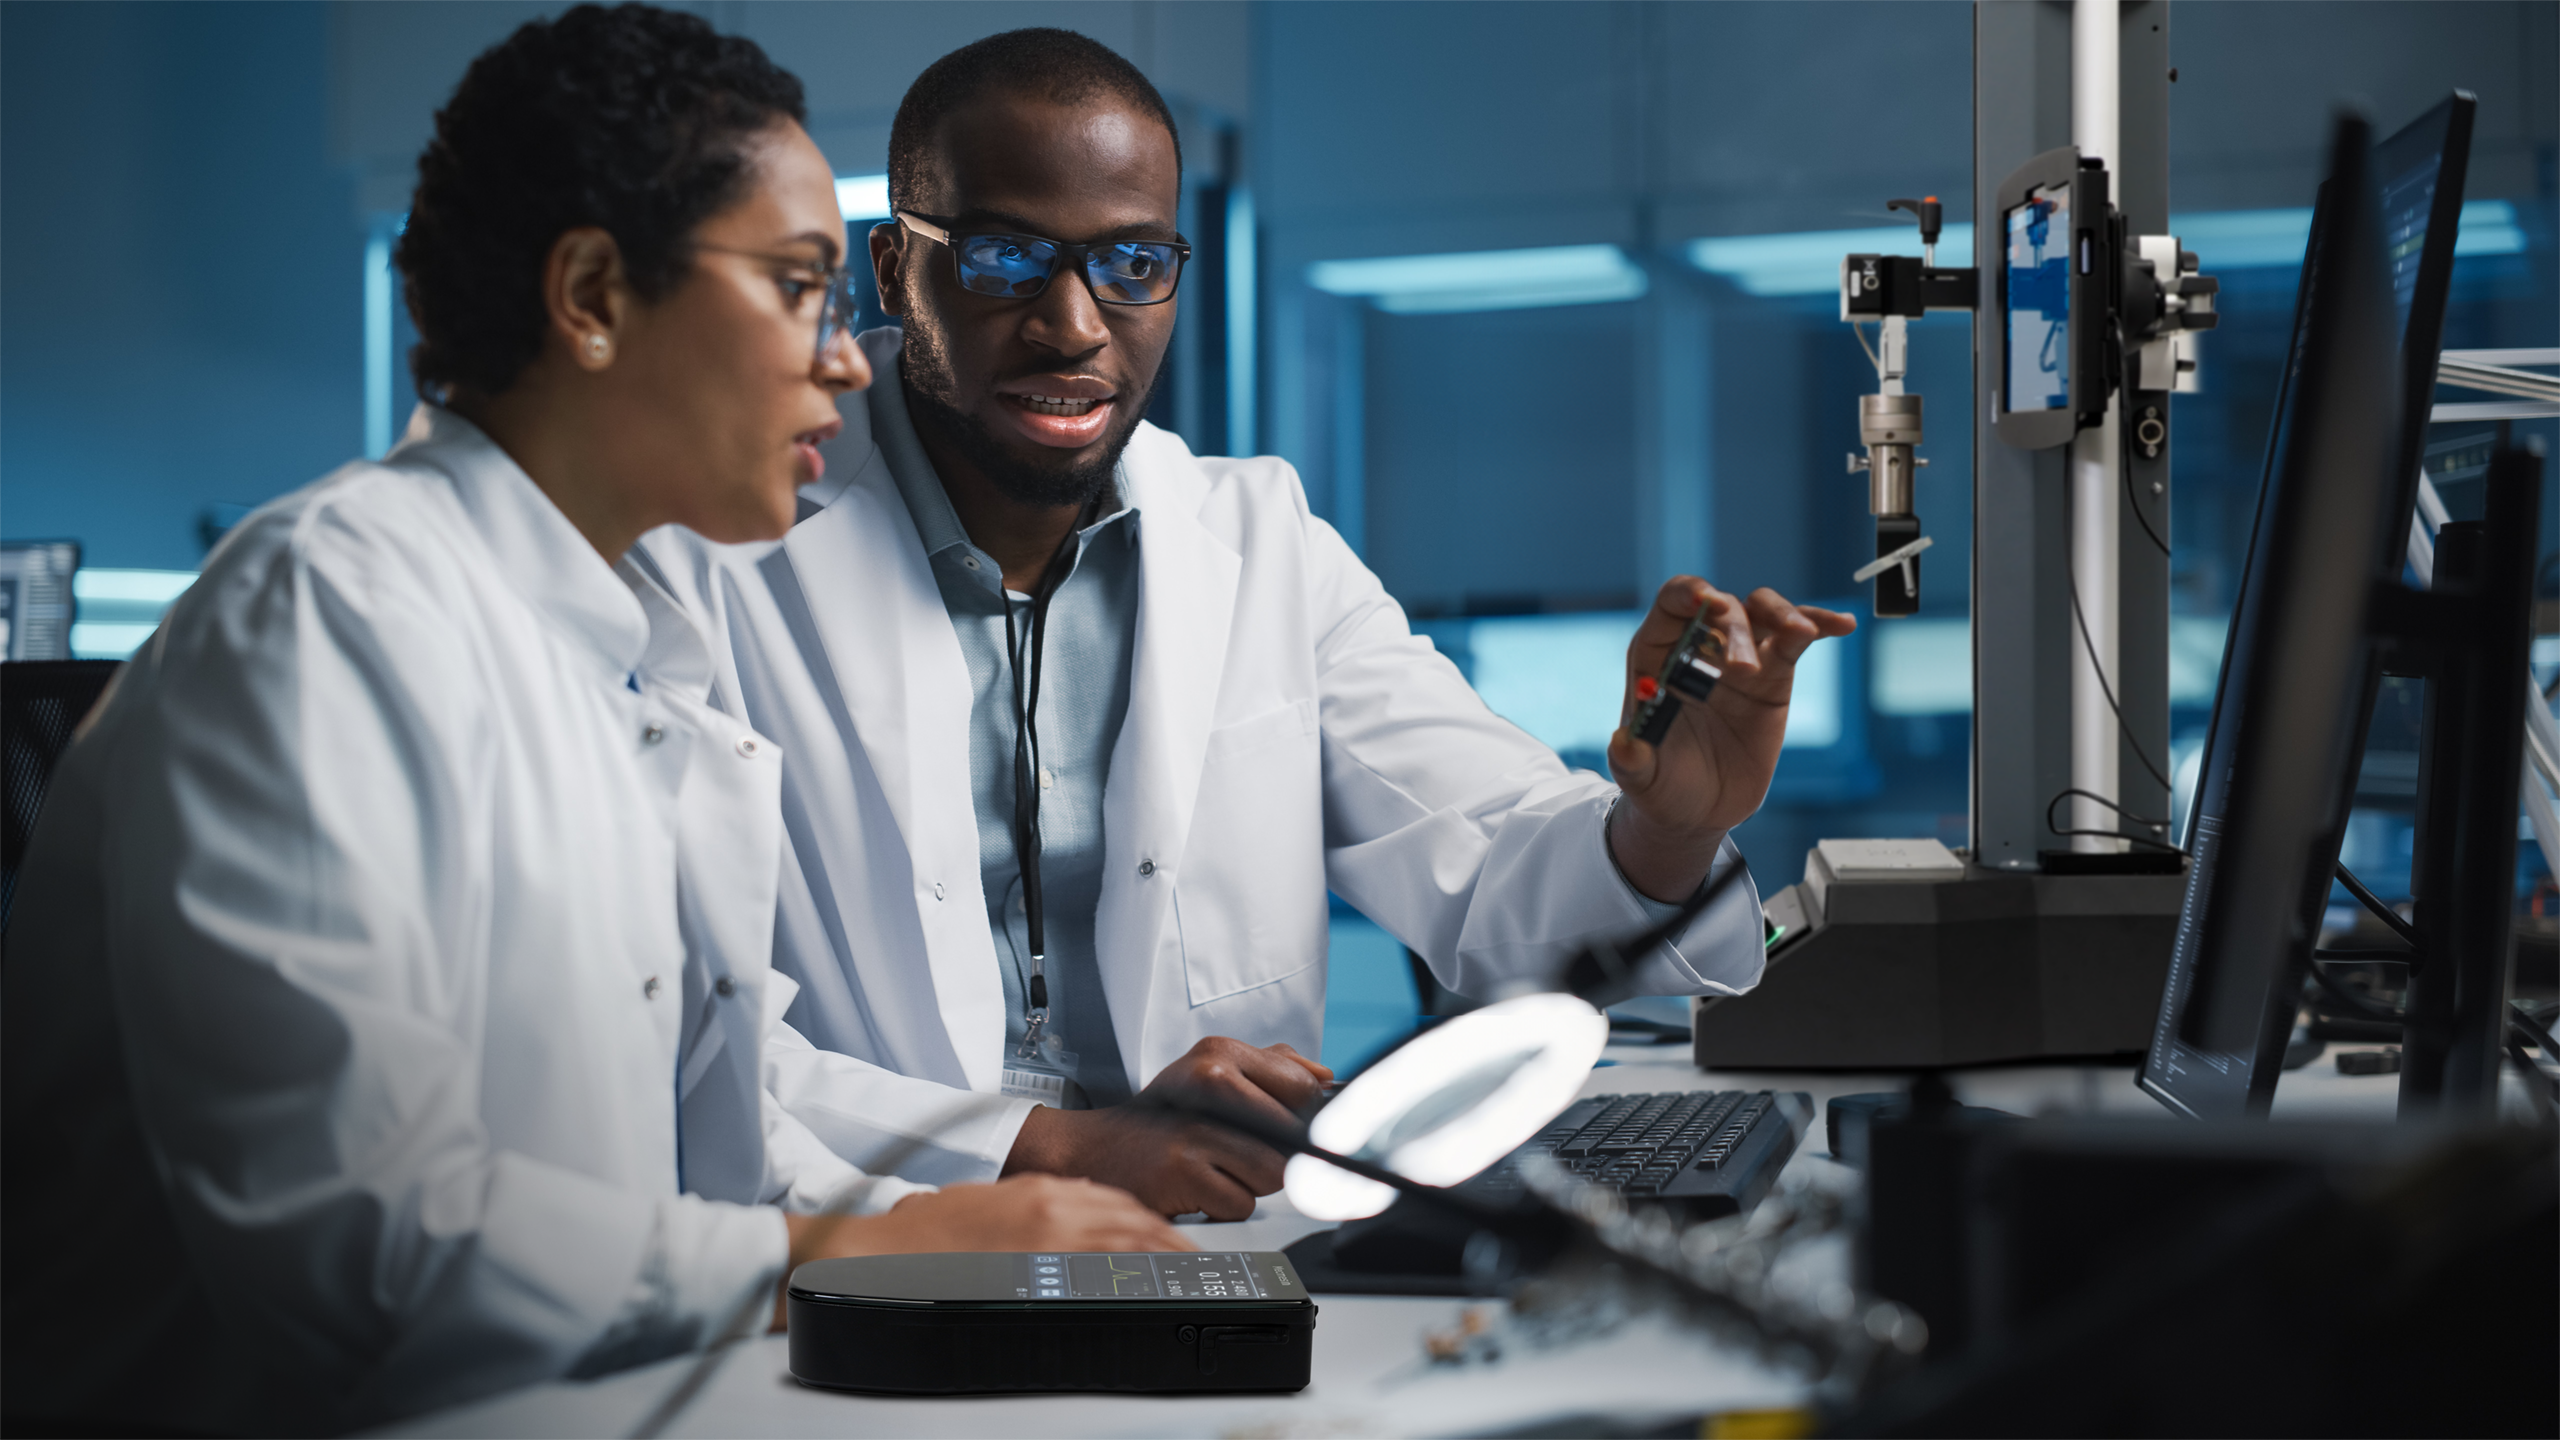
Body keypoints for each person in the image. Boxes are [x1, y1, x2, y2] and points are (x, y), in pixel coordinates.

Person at [0, 8, 1183, 1434]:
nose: (852, 362)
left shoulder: (629, 655)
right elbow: (361, 1250)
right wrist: (853, 1256)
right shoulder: (325, 613)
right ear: (593, 296)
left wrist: (1022, 1220)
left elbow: (717, 1146)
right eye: (801, 287)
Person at [641, 28, 1855, 1224]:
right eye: (1007, 258)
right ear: (893, 267)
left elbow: (1494, 877)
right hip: (881, 1250)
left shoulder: (1260, 541)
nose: (1073, 326)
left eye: (1131, 263)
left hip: (1228, 1240)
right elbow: (682, 1029)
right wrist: (1057, 1146)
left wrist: (1661, 831)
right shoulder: (712, 552)